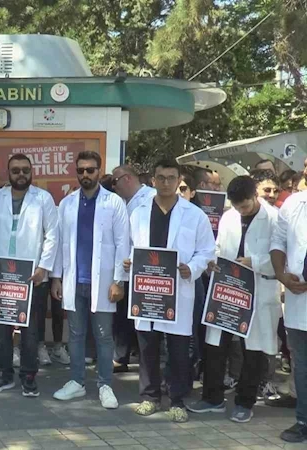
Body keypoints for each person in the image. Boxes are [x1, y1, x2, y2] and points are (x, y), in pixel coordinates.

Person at [124, 159, 215, 422]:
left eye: (171, 178)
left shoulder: (194, 214)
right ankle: (150, 397)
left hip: (179, 289)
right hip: (147, 289)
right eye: (161, 178)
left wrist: (193, 268)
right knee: (147, 346)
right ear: (153, 180)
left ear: (178, 181)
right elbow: (128, 246)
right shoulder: (138, 212)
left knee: (178, 348)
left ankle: (177, 400)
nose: (165, 183)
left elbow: (207, 250)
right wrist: (128, 263)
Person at [186, 176, 280, 422]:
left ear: (255, 195)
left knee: (253, 350)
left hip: (259, 289)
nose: (241, 211)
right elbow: (217, 247)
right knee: (216, 345)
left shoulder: (274, 219)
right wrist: (213, 262)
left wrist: (254, 262)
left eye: (245, 206)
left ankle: (244, 402)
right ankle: (212, 397)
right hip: (227, 289)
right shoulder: (228, 217)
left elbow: (282, 257)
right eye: (237, 207)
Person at [0, 154, 59, 397]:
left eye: (25, 170)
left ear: (31, 172)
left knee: (31, 331)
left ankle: (28, 376)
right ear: (8, 173)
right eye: (15, 170)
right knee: (2, 329)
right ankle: (4, 374)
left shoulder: (43, 198)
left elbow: (53, 234)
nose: (20, 174)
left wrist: (43, 267)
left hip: (32, 275)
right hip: (2, 275)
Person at [51, 151, 129, 409]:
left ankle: (105, 385)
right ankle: (76, 382)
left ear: (99, 171)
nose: (85, 174)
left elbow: (122, 243)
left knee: (104, 336)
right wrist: (56, 278)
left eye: (90, 170)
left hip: (103, 282)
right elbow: (60, 244)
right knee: (75, 335)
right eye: (81, 170)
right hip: (74, 280)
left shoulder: (114, 202)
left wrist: (119, 280)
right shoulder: (67, 204)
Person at [270, 181, 307, 442]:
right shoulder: (294, 204)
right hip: (298, 298)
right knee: (302, 364)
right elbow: (278, 242)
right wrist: (281, 275)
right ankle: (303, 420)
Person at [110, 165, 156, 372]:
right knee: (122, 315)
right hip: (125, 267)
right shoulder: (122, 202)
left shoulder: (151, 198)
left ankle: (148, 365)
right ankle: (120, 357)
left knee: (144, 318)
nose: (114, 186)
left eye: (115, 181)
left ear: (127, 178)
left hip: (146, 269)